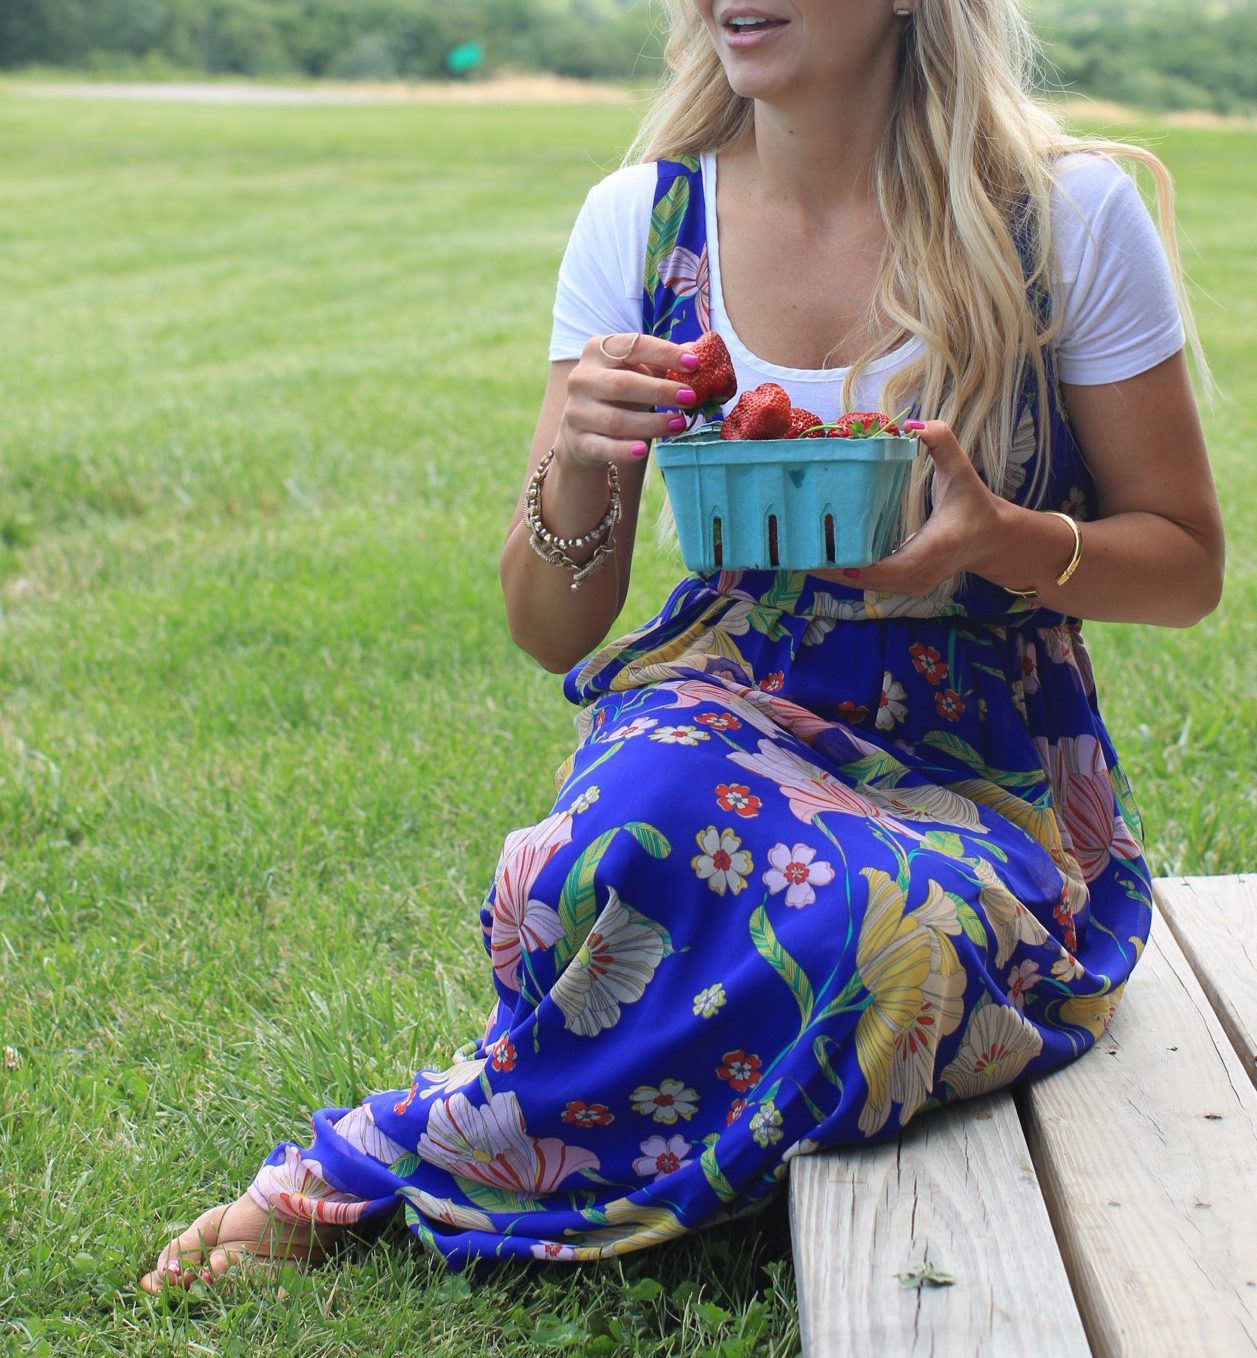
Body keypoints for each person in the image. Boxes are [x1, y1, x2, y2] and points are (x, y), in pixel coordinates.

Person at [142, 0, 1224, 1291]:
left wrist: (993, 540)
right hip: (730, 706)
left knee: (877, 936)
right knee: (589, 855)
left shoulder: (1060, 219)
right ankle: (635, 1110)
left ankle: (408, 1156)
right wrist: (575, 475)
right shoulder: (643, 224)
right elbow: (554, 630)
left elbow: (1184, 564)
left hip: (986, 762)